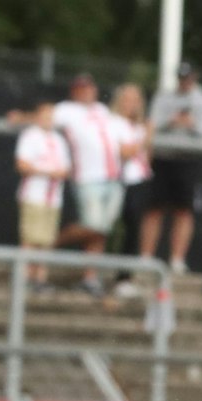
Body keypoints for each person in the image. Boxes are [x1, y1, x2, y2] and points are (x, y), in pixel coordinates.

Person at [49, 75, 128, 293]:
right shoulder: (66, 110)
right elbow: (44, 118)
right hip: (88, 176)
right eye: (81, 88)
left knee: (102, 229)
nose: (87, 92)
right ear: (74, 92)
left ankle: (90, 276)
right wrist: (21, 117)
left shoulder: (103, 111)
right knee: (93, 224)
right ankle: (49, 245)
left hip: (112, 177)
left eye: (89, 87)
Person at [143, 62, 202, 273]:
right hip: (163, 158)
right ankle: (146, 257)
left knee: (184, 210)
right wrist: (171, 121)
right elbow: (152, 125)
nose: (184, 82)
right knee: (154, 209)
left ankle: (177, 259)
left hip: (188, 160)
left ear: (195, 77)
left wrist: (190, 123)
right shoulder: (163, 97)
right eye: (181, 77)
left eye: (188, 77)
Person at [14, 100, 69, 288]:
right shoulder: (30, 136)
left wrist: (55, 172)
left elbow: (65, 168)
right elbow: (22, 164)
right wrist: (48, 172)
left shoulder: (59, 140)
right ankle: (25, 278)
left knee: (47, 239)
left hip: (53, 198)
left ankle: (40, 278)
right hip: (34, 195)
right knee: (30, 238)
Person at [109, 83, 152, 268]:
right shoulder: (112, 123)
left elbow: (146, 156)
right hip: (116, 180)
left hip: (138, 179)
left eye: (135, 100)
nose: (131, 104)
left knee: (134, 227)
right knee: (104, 226)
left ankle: (124, 275)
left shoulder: (139, 126)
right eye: (127, 99)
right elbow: (125, 152)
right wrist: (147, 136)